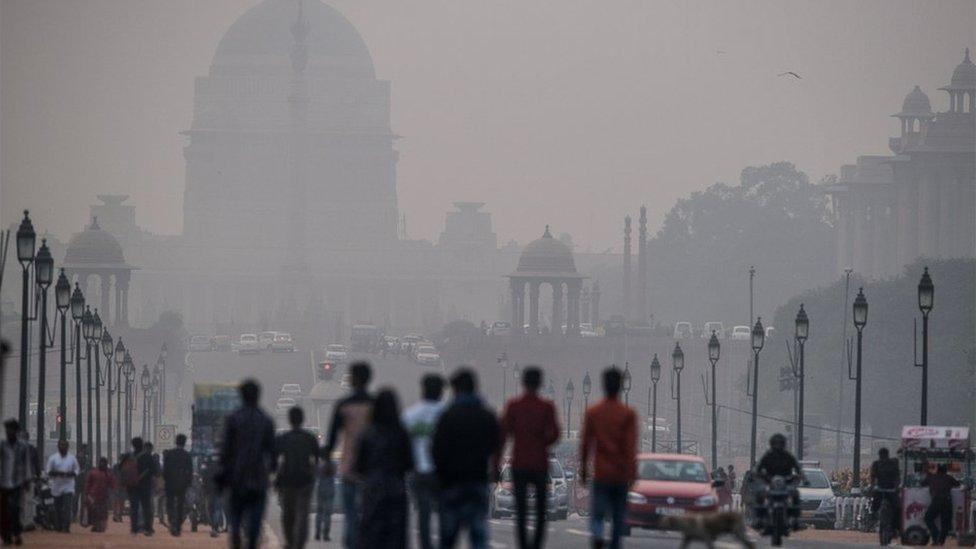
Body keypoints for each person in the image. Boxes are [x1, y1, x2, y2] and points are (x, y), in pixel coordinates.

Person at [432, 368, 501, 549]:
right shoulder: (486, 416)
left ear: (457, 390)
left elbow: (437, 450)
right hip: (477, 479)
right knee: (479, 536)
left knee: (448, 536)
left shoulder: (447, 417)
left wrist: (439, 477)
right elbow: (496, 445)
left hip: (451, 482)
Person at [498, 366, 560, 549]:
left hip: (519, 463)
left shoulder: (514, 406)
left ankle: (523, 544)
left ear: (523, 382)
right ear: (540, 383)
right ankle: (537, 543)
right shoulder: (547, 407)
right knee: (541, 510)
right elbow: (556, 433)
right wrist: (542, 442)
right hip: (540, 462)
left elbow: (503, 435)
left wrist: (496, 463)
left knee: (521, 509)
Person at [579, 367, 637, 549]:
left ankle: (597, 534)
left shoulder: (594, 412)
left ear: (603, 386)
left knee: (597, 513)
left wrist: (583, 469)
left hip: (601, 472)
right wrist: (632, 473)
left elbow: (585, 444)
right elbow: (630, 447)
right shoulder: (628, 414)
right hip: (620, 474)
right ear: (621, 386)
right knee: (618, 515)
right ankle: (614, 544)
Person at [218, 379, 275, 549]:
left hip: (237, 477)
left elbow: (226, 452)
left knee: (236, 514)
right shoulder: (266, 421)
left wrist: (224, 472)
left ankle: (235, 533)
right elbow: (272, 452)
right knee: (255, 519)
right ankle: (251, 541)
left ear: (241, 396)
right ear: (258, 396)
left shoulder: (233, 419)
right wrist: (272, 471)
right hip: (258, 478)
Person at [354, 389, 414, 548]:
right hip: (396, 488)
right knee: (396, 533)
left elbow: (359, 466)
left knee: (371, 532)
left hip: (373, 488)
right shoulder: (401, 433)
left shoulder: (368, 434)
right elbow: (410, 463)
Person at [324, 361, 374, 549]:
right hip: (371, 470)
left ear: (353, 379)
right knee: (368, 514)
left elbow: (332, 436)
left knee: (350, 515)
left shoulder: (344, 405)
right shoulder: (375, 405)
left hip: (349, 467)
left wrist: (327, 460)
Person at [402, 374, 445, 549]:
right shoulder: (447, 414)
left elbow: (403, 445)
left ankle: (426, 544)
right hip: (441, 471)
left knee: (423, 513)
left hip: (417, 470)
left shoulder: (410, 415)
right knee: (444, 512)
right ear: (441, 391)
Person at [274, 406, 319, 549]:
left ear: (289, 420)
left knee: (288, 514)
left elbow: (276, 460)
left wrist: (277, 478)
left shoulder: (284, 439)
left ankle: (290, 541)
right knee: (303, 514)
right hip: (305, 481)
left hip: (288, 481)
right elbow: (317, 459)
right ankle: (300, 543)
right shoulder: (310, 438)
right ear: (302, 419)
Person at [0, 419, 30, 545]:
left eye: (11, 430)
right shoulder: (2, 446)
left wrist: (27, 479)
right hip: (3, 482)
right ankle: (6, 536)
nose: (9, 432)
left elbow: (26, 464)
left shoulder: (22, 447)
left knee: (15, 509)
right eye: (7, 430)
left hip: (17, 482)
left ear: (16, 432)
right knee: (3, 511)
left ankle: (17, 533)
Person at [45, 439, 79, 533]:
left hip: (68, 486)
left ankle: (66, 526)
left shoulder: (72, 459)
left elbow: (76, 471)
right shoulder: (53, 458)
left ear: (67, 447)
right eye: (61, 445)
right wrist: (58, 473)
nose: (62, 447)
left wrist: (69, 474)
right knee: (58, 507)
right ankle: (59, 526)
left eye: (64, 445)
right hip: (57, 486)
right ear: (58, 446)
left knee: (67, 507)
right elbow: (48, 471)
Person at [163, 433, 194, 536]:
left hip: (170, 484)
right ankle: (178, 526)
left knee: (170, 504)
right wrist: (188, 483)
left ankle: (172, 522)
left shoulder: (169, 454)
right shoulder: (187, 455)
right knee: (181, 505)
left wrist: (166, 481)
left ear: (176, 442)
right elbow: (190, 471)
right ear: (184, 443)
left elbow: (165, 470)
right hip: (182, 484)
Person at [125, 437, 156, 535]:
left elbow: (122, 471)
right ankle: (148, 528)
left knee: (134, 508)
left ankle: (134, 529)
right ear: (142, 445)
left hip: (132, 486)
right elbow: (156, 471)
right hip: (145, 486)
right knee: (146, 507)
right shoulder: (148, 457)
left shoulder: (128, 456)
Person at [923, 463, 960, 545]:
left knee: (928, 518)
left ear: (937, 470)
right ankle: (941, 541)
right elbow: (958, 484)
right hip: (947, 501)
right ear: (945, 471)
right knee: (945, 523)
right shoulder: (949, 477)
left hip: (936, 501)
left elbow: (922, 484)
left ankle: (935, 535)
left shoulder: (931, 477)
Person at [869, 447, 900, 533]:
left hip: (890, 490)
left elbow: (897, 477)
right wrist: (872, 487)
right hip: (881, 489)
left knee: (896, 508)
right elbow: (872, 477)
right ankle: (873, 518)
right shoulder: (876, 464)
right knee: (875, 505)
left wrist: (897, 488)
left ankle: (895, 527)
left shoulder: (892, 464)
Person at [85, 457, 115, 532]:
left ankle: (99, 526)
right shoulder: (94, 472)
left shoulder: (107, 474)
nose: (102, 465)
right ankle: (97, 526)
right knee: (96, 512)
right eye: (101, 463)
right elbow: (88, 484)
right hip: (94, 496)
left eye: (104, 463)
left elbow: (112, 485)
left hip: (103, 497)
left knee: (102, 513)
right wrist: (87, 494)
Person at [18, 430, 39, 532]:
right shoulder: (31, 449)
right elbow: (36, 464)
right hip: (28, 478)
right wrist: (38, 475)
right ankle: (27, 522)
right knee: (28, 501)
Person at [314, 459, 336, 542]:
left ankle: (317, 533)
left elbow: (316, 475)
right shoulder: (333, 464)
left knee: (319, 512)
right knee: (327, 514)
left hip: (321, 491)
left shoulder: (320, 465)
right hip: (330, 491)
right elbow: (335, 473)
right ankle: (326, 535)